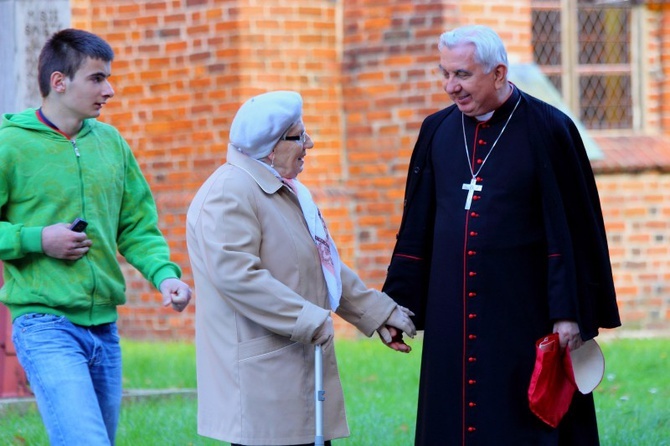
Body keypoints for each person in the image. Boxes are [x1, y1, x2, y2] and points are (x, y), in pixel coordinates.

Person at [382, 25, 621, 445]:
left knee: (525, 422)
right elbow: (417, 226)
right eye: (445, 74)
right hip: (451, 315)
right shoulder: (436, 131)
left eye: (462, 75)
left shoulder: (549, 129)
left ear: (498, 73)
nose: (450, 87)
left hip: (524, 313)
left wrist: (568, 311)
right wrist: (397, 305)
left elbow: (572, 230)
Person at [186, 90, 416, 446]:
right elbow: (238, 277)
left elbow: (321, 265)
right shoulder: (229, 192)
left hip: (294, 369)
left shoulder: (282, 189)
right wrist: (310, 318)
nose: (309, 143)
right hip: (261, 382)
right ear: (270, 147)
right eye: (298, 136)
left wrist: (375, 312)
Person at [0, 29, 192, 445]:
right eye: (97, 78)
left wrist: (165, 276)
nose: (111, 89)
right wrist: (37, 239)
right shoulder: (9, 145)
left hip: (105, 327)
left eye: (108, 77)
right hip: (43, 322)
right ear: (59, 81)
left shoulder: (112, 144)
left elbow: (137, 226)